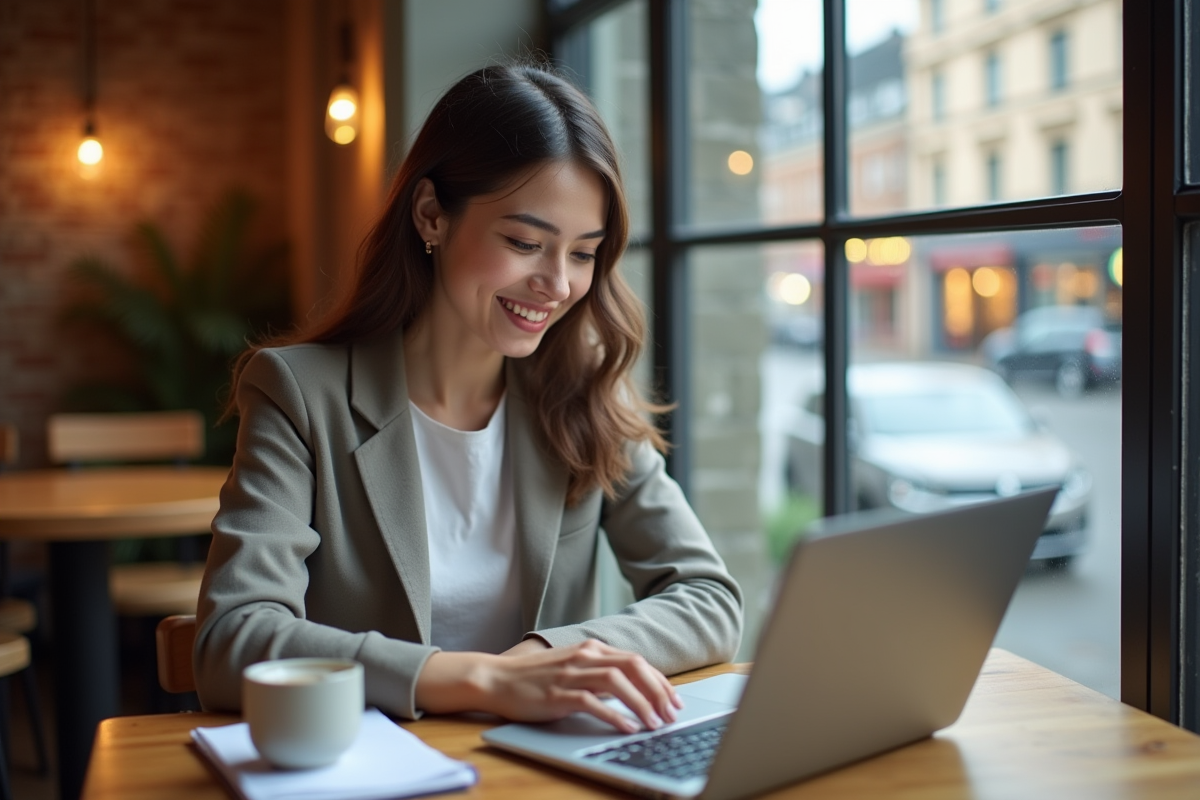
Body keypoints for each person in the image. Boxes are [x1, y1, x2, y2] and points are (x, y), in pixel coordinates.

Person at [194, 62, 742, 735]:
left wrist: (552, 657)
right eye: (524, 243)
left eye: (583, 253)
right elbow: (233, 637)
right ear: (431, 215)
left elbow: (710, 600)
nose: (557, 284)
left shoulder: (582, 389)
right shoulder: (301, 394)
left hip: (541, 770)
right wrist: (484, 678)